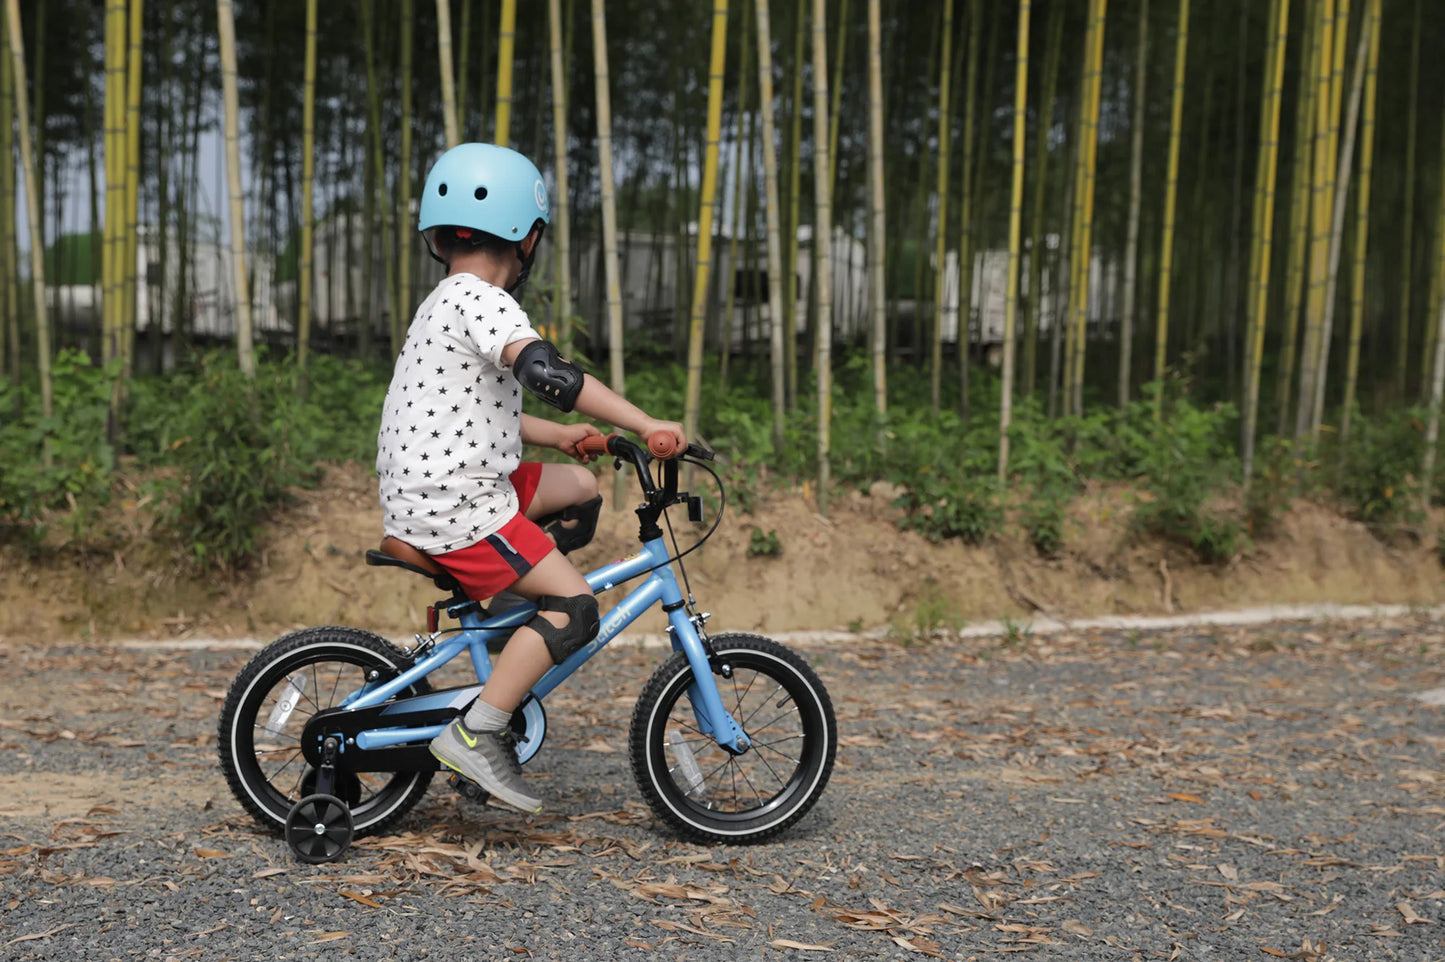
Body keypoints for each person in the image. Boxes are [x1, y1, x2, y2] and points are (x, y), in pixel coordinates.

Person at [375, 143, 685, 813]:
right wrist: (646, 422)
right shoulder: (484, 302)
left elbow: (477, 417)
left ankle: (514, 613)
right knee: (576, 610)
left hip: (450, 481)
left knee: (579, 487)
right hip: (456, 505)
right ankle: (478, 730)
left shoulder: (445, 301)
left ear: (438, 231)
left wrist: (571, 438)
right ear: (528, 236)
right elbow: (548, 374)